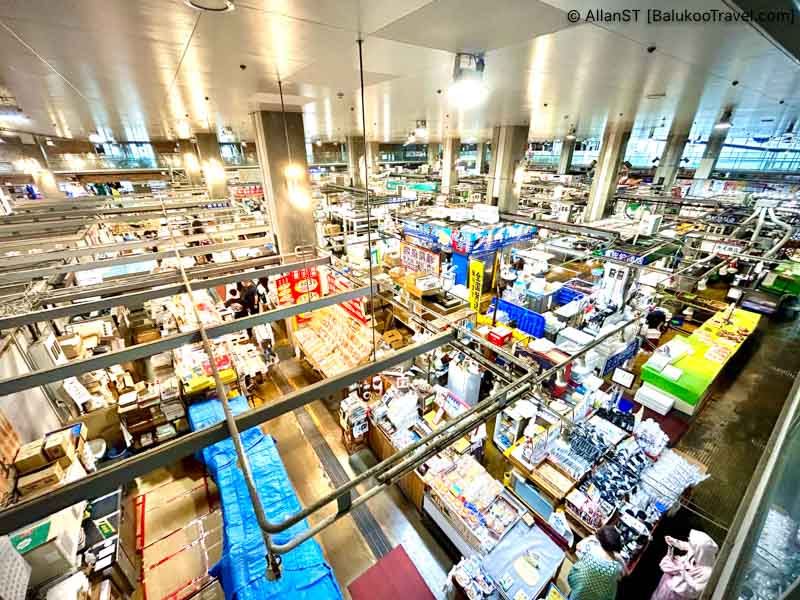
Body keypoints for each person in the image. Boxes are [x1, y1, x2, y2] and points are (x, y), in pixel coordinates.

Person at [650, 532, 718, 600]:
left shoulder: (705, 573)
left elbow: (689, 590)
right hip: (667, 583)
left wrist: (675, 569)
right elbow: (687, 546)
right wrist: (674, 542)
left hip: (674, 593)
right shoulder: (703, 552)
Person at [567, 525, 624, 600]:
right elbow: (623, 574)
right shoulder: (616, 567)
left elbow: (578, 546)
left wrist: (591, 538)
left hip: (578, 592)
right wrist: (619, 558)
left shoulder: (591, 548)